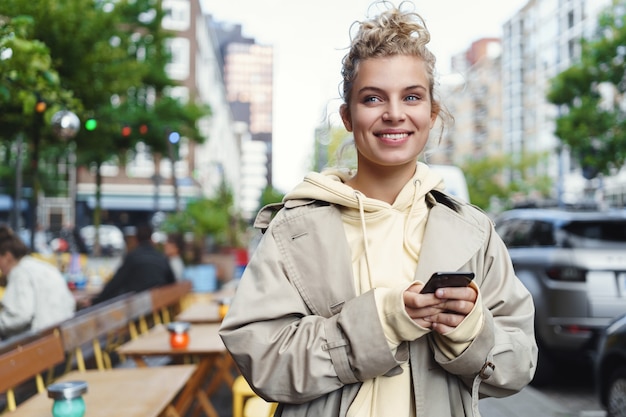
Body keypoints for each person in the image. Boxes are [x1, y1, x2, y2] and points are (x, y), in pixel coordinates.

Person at [219, 3, 538, 417]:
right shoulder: (293, 231)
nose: (394, 113)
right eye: (373, 98)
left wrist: (470, 331)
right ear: (348, 117)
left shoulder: (474, 231)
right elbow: (262, 362)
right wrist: (385, 321)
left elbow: (519, 365)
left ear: (431, 113)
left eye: (411, 96)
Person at [0, 224, 75, 339]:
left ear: (8, 256)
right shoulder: (38, 266)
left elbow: (20, 315)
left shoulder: (20, 272)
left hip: (43, 344)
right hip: (59, 337)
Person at [90, 223, 175, 305]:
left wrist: (97, 300)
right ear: (151, 239)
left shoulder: (133, 257)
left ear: (136, 239)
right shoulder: (161, 257)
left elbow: (116, 282)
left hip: (138, 306)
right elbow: (172, 282)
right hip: (159, 304)